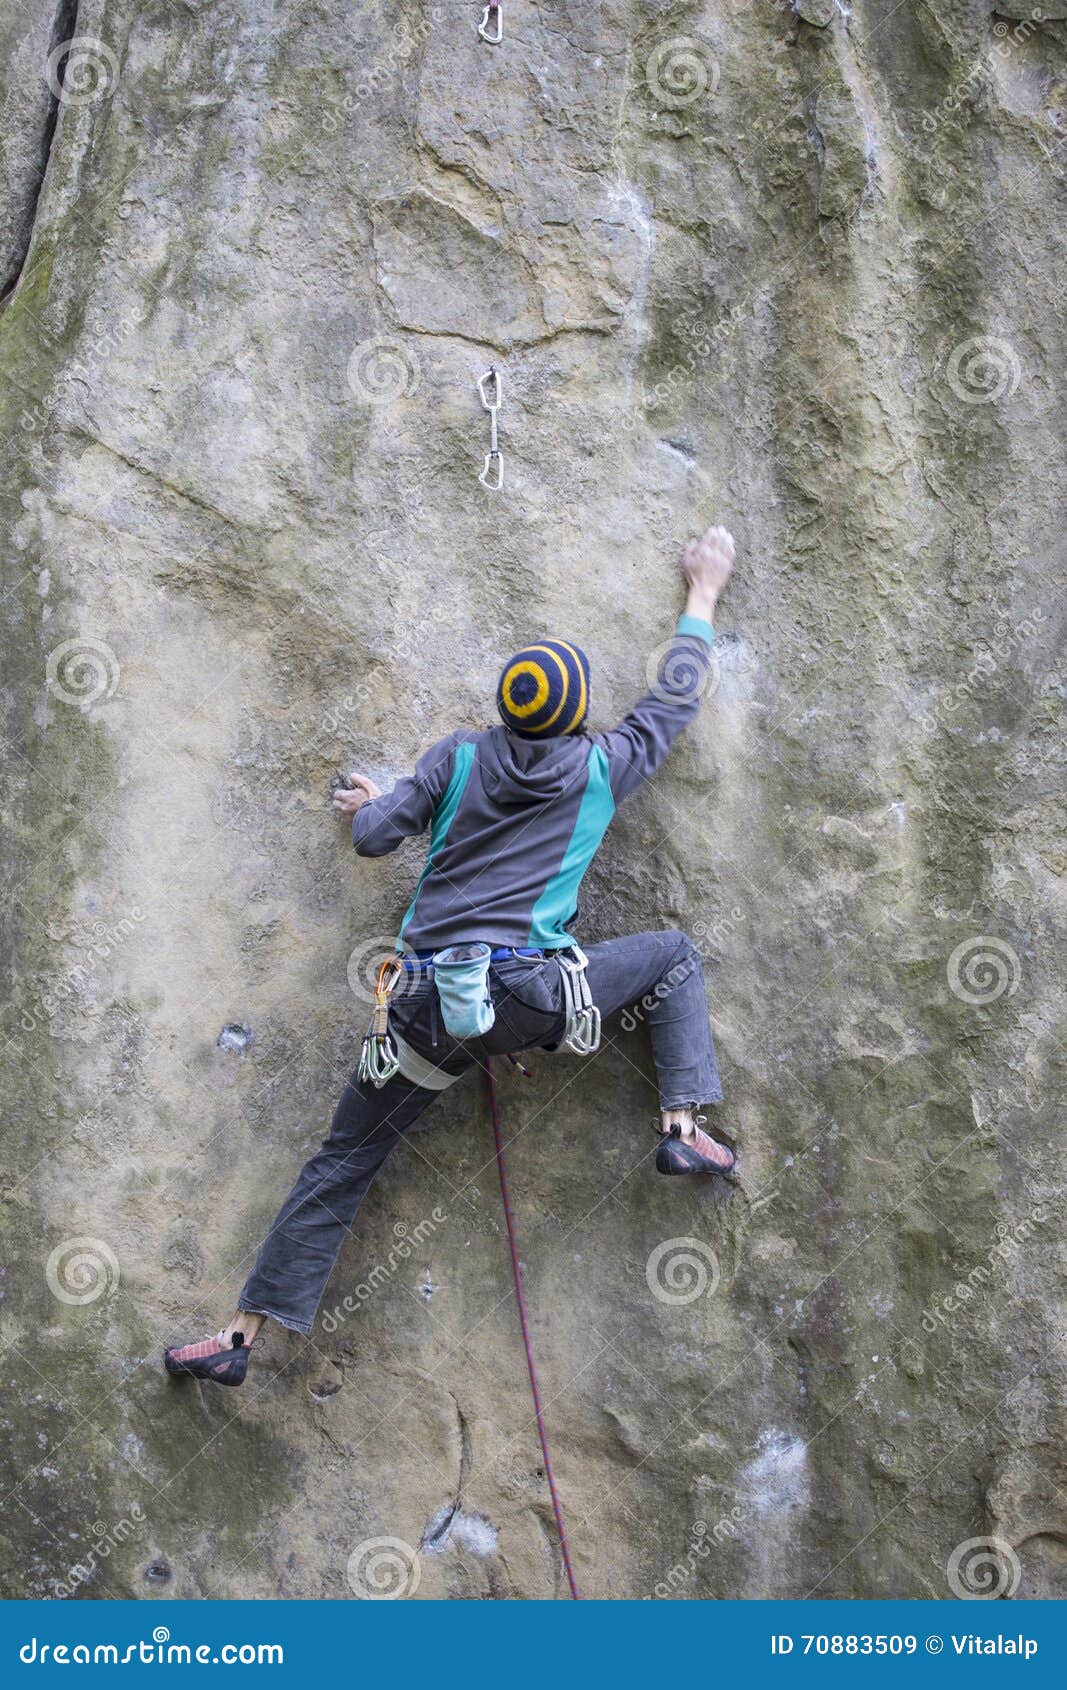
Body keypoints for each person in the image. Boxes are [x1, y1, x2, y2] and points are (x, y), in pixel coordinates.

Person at [164, 524, 736, 1386]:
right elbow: (671, 705)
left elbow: (371, 838)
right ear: (577, 716)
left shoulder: (456, 758)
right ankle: (682, 1129)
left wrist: (381, 801)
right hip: (530, 997)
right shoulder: (600, 768)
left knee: (344, 1160)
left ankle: (241, 1335)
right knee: (675, 956)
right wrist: (701, 596)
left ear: (506, 708)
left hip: (423, 1012)